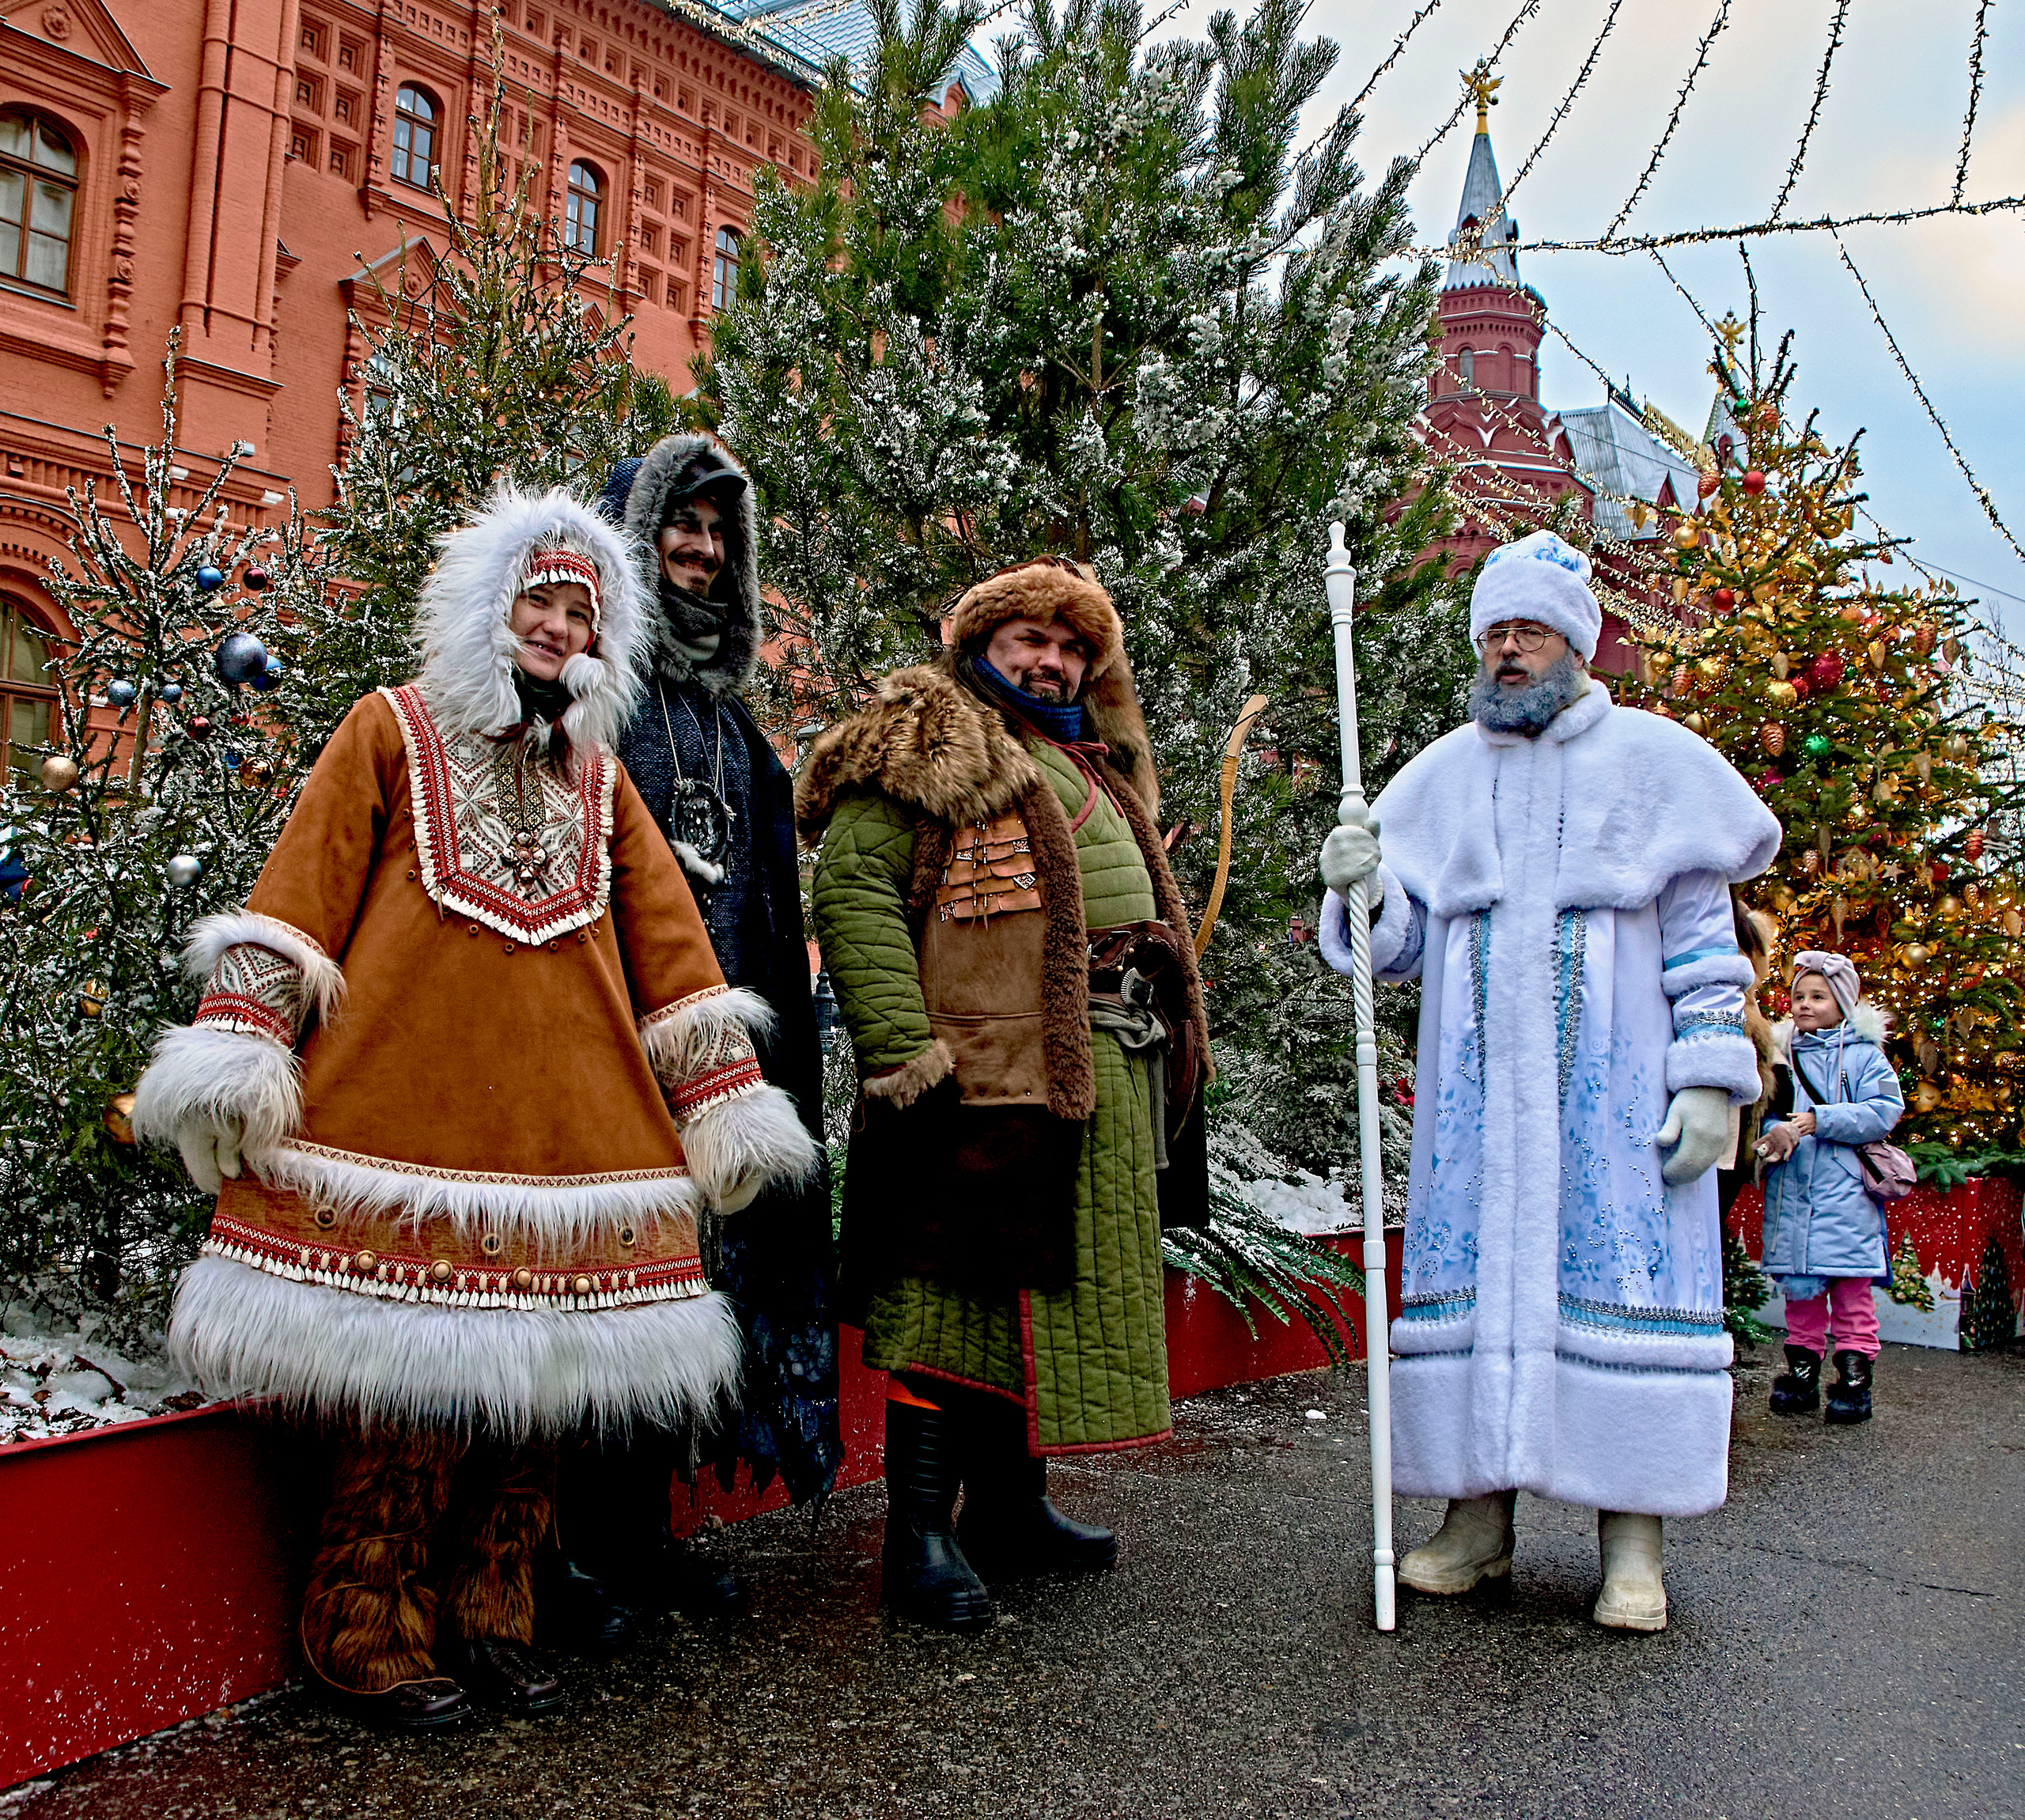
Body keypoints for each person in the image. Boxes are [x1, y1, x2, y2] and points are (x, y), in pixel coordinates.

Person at [130, 486, 816, 1726]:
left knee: (534, 1408)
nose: (561, 629)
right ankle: (362, 1624)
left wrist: (722, 1100)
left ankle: (491, 1613)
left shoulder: (600, 781)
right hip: (406, 1124)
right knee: (414, 1397)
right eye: (541, 604)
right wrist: (239, 1046)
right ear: (488, 611)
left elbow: (670, 947)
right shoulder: (387, 731)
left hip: (575, 1134)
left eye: (581, 613)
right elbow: (301, 895)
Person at [1317, 529, 1781, 1632]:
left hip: (1614, 1111)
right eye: (1494, 633)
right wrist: (1361, 889)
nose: (1509, 651)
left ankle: (1634, 1547)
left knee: (1622, 1293)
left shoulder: (1657, 764)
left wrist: (1712, 1079)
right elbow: (1399, 943)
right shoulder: (1442, 774)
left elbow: (1706, 945)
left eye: (1528, 630)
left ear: (1575, 643)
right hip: (1476, 1116)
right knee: (1473, 1295)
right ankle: (1475, 1524)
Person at [800, 557, 1210, 1629]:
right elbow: (853, 889)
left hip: (1089, 1075)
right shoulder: (928, 739)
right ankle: (919, 1539)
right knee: (952, 1308)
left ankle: (1010, 1511)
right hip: (971, 1084)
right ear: (978, 643)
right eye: (1031, 637)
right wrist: (902, 1050)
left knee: (1039, 1305)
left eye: (1074, 646)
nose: (1052, 659)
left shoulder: (1086, 762)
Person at [540, 435, 838, 1639]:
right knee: (596, 1286)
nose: (703, 551)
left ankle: (639, 1531)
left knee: (691, 1286)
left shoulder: (736, 731)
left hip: (712, 1073)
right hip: (603, 1046)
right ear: (635, 532)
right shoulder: (590, 699)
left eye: (722, 533)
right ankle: (561, 1545)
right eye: (683, 524)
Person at [1754, 952, 1903, 1425]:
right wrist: (1776, 1131)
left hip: (1846, 1198)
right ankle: (1800, 1378)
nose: (1804, 1005)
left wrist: (1823, 1119)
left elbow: (1884, 1110)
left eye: (1818, 997)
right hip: (1794, 1193)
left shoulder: (1863, 1056)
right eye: (1799, 996)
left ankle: (1855, 1384)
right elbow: (1769, 1108)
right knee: (1800, 1293)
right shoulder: (1782, 1057)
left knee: (1851, 1293)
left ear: (1843, 1003)